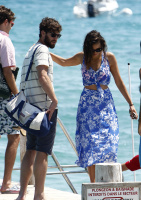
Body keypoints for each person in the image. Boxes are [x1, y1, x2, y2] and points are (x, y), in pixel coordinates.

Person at [50, 30, 138, 183]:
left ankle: (106, 185)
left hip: (106, 105)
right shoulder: (82, 57)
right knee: (90, 144)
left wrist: (131, 103)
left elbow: (118, 81)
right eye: (93, 50)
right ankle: (93, 186)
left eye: (99, 49)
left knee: (109, 142)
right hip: (87, 106)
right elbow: (63, 62)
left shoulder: (109, 58)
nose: (96, 53)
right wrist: (44, 51)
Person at [16, 17, 62, 200]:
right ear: (43, 32)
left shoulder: (31, 49)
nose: (55, 39)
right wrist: (54, 100)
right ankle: (39, 195)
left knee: (30, 150)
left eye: (58, 35)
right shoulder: (42, 50)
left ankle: (21, 195)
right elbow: (43, 75)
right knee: (43, 152)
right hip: (43, 110)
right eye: (53, 35)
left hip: (29, 109)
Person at [0, 5, 20, 193]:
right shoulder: (5, 41)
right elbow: (8, 71)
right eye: (11, 23)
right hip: (3, 96)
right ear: (5, 22)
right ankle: (6, 183)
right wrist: (17, 95)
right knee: (14, 136)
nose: (11, 26)